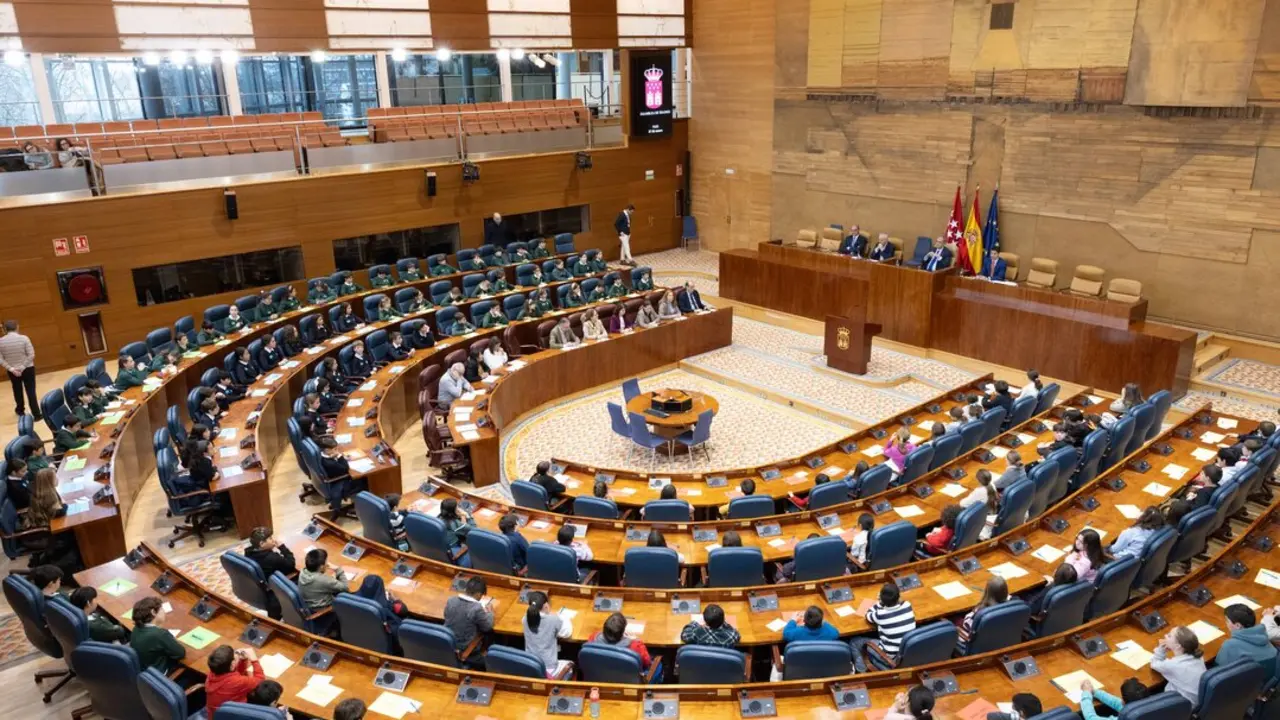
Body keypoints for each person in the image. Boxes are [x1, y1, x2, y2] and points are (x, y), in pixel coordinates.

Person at [851, 582, 917, 672]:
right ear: (898, 597)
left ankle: (861, 671)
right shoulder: (907, 605)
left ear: (882, 598)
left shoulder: (880, 615)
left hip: (888, 657)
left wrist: (879, 603)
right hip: (905, 652)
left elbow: (868, 615)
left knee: (854, 641)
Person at [1216, 604, 1278, 676]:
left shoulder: (1229, 645)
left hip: (1248, 682)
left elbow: (1217, 669)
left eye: (1227, 621)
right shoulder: (1263, 634)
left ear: (1238, 625)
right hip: (1267, 677)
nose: (1226, 623)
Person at [444, 576, 495, 664]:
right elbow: (488, 626)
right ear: (479, 594)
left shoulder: (451, 600)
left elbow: (446, 616)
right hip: (468, 652)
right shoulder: (476, 608)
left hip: (448, 645)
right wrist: (490, 612)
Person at [1150, 626, 1206, 704]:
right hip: (1197, 700)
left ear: (1178, 646)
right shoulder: (1198, 656)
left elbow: (1154, 663)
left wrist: (1161, 649)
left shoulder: (1173, 665)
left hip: (1182, 705)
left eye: (1169, 636)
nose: (1165, 635)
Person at [130, 596, 186, 673]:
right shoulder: (160, 634)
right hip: (159, 673)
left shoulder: (136, 628)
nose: (164, 612)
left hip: (143, 670)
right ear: (153, 612)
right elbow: (180, 653)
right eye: (162, 609)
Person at [205, 645, 265, 715]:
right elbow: (261, 682)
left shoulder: (214, 671)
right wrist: (254, 660)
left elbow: (234, 674)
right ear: (232, 664)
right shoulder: (237, 681)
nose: (237, 654)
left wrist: (243, 660)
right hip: (234, 716)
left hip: (215, 715)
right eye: (235, 654)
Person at [523, 590, 572, 676]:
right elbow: (567, 633)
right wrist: (562, 617)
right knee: (571, 663)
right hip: (549, 668)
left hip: (531, 664)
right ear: (546, 606)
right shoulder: (553, 620)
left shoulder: (525, 619)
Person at [956, 576, 1008, 654]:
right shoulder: (1011, 604)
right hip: (999, 640)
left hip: (976, 646)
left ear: (987, 592)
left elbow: (967, 624)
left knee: (953, 620)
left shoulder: (981, 613)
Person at [0, 320, 40, 419]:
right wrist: (22, 367)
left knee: (17, 390)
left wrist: (11, 368)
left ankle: (20, 411)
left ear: (5, 329)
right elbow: (31, 355)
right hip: (27, 368)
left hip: (12, 371)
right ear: (17, 327)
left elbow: (0, 358)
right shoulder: (24, 338)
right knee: (31, 391)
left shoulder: (1, 341)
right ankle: (36, 414)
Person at [588, 612, 654, 668]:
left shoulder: (593, 639)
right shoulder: (635, 646)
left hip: (598, 678)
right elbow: (647, 662)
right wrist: (633, 639)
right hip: (628, 681)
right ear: (623, 632)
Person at [1078, 678, 1148, 720]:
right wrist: (1094, 692)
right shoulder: (1147, 708)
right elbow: (1117, 703)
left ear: (1123, 702)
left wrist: (1086, 693)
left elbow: (1091, 718)